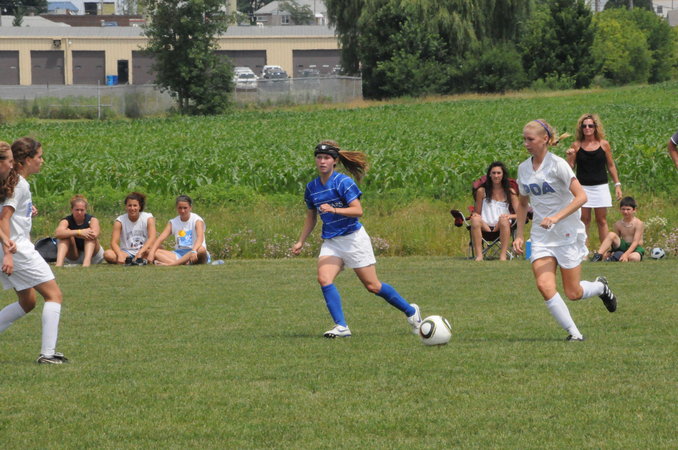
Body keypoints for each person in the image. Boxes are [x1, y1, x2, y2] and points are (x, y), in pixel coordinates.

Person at [290, 140, 422, 338]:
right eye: (319, 157)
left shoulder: (343, 182)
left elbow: (358, 210)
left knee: (373, 286)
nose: (322, 161)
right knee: (324, 279)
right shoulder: (312, 187)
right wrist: (301, 240)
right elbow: (311, 217)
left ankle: (411, 311)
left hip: (353, 239)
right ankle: (341, 327)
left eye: (326, 158)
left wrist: (333, 209)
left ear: (335, 161)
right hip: (332, 241)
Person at [513, 120, 618, 341]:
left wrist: (556, 217)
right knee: (544, 285)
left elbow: (582, 197)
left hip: (567, 233)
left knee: (573, 292)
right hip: (541, 236)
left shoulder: (558, 164)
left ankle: (600, 287)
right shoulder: (523, 168)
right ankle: (574, 334)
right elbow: (522, 204)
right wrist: (519, 234)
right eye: (524, 139)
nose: (526, 144)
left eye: (530, 139)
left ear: (545, 139)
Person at [0, 138, 68, 364]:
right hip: (17, 249)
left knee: (27, 302)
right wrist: (8, 253)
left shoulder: (13, 182)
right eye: (39, 156)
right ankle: (48, 354)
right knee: (54, 295)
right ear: (27, 160)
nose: (42, 160)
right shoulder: (19, 184)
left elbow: (9, 212)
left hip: (11, 248)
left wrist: (27, 210)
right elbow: (4, 219)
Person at [565, 114, 622, 247]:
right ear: (581, 128)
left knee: (601, 220)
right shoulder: (576, 145)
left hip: (600, 186)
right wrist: (570, 157)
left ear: (595, 127)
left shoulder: (604, 144)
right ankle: (583, 251)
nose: (587, 128)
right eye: (584, 126)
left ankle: (604, 252)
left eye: (590, 125)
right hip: (582, 187)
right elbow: (570, 168)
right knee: (584, 220)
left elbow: (611, 165)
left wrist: (617, 184)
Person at [469, 161, 519, 261]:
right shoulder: (481, 191)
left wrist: (509, 216)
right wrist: (475, 215)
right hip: (485, 225)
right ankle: (479, 256)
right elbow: (477, 212)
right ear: (489, 175)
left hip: (501, 225)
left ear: (503, 175)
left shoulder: (510, 192)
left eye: (499, 173)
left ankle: (503, 256)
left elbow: (520, 214)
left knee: (504, 220)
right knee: (475, 220)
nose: (496, 176)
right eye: (494, 173)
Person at [148, 195, 209, 266]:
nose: (182, 211)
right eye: (180, 208)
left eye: (185, 208)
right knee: (150, 250)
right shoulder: (173, 222)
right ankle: (183, 262)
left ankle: (170, 264)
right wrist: (151, 252)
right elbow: (161, 238)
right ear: (176, 208)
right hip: (179, 253)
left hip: (195, 251)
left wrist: (194, 251)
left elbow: (200, 238)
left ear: (190, 207)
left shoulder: (197, 220)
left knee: (201, 249)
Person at [103, 192, 156, 265]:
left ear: (140, 207)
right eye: (129, 205)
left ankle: (136, 260)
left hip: (144, 251)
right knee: (108, 254)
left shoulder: (148, 218)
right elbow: (114, 242)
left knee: (157, 249)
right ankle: (134, 261)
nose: (132, 208)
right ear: (126, 207)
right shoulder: (120, 221)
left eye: (135, 205)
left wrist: (140, 252)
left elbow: (152, 238)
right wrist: (119, 254)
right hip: (126, 252)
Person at [54, 194, 104, 267]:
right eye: (77, 210)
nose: (79, 212)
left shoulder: (93, 220)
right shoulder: (66, 221)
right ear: (72, 210)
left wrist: (83, 233)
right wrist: (79, 232)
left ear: (85, 210)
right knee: (64, 235)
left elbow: (95, 234)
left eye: (82, 210)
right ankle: (59, 264)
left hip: (93, 256)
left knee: (90, 234)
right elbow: (58, 233)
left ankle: (86, 264)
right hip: (74, 256)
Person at [591, 196, 644, 262]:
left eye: (628, 209)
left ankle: (618, 256)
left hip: (635, 248)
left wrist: (626, 254)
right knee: (611, 234)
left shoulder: (639, 223)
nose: (625, 212)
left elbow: (636, 242)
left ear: (634, 210)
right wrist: (611, 251)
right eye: (623, 209)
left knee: (633, 258)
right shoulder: (618, 224)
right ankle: (599, 255)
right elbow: (615, 240)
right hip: (623, 246)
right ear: (620, 210)